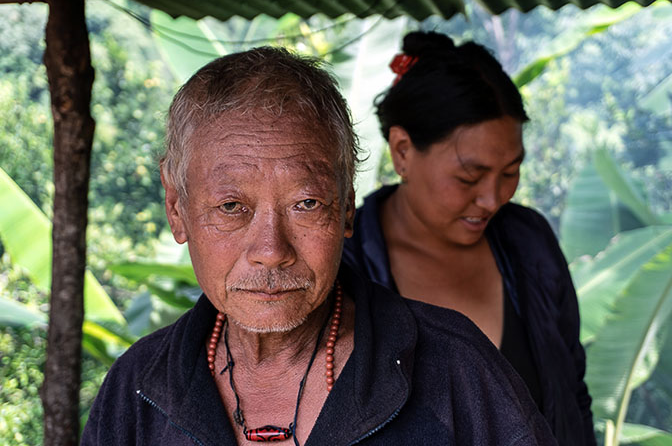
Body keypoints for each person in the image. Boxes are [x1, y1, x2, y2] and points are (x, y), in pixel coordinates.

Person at [81, 46, 557, 446]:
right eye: (230, 206)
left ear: (347, 206)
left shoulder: (457, 370)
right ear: (176, 206)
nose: (270, 249)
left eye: (306, 203)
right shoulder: (135, 392)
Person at [343, 31, 596, 446]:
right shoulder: (347, 269)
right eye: (469, 176)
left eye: (510, 172)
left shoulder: (528, 242)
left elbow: (573, 395)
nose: (493, 198)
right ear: (402, 150)